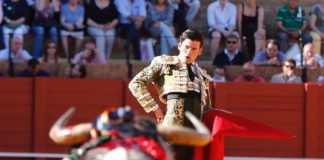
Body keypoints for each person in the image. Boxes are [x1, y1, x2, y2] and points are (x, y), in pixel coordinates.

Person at [129, 29, 211, 160]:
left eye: (194, 49)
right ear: (179, 46)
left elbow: (207, 109)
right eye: (186, 47)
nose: (189, 52)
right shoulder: (164, 64)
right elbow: (136, 83)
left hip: (193, 135)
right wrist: (156, 109)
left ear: (200, 51)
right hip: (171, 129)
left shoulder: (202, 75)